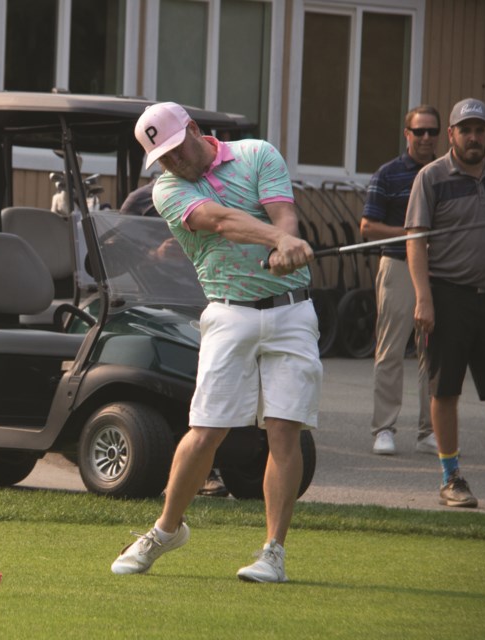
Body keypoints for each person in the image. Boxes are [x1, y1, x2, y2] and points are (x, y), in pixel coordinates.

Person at [111, 102, 320, 581]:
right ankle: (166, 529)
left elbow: (283, 215)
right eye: (161, 157)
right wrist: (277, 241)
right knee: (205, 430)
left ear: (195, 130)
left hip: (292, 310)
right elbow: (220, 220)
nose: (173, 162)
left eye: (175, 149)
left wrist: (285, 243)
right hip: (229, 312)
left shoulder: (257, 154)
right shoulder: (167, 190)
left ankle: (273, 552)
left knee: (284, 430)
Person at [405, 98, 485, 509]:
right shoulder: (431, 178)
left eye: (479, 129)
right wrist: (424, 299)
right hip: (447, 296)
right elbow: (416, 241)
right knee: (445, 390)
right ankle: (451, 478)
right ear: (451, 135)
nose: (473, 137)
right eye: (464, 130)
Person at [122, 178, 228, 497]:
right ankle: (201, 471)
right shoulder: (140, 202)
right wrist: (155, 256)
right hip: (156, 301)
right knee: (191, 379)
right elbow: (117, 258)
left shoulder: (215, 194)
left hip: (207, 298)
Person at [361, 106, 441, 456]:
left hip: (441, 270)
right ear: (406, 134)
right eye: (418, 131)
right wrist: (414, 235)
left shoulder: (445, 173)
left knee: (435, 352)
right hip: (397, 265)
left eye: (432, 131)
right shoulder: (388, 174)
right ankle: (384, 429)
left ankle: (430, 431)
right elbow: (368, 227)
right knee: (391, 349)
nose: (426, 138)